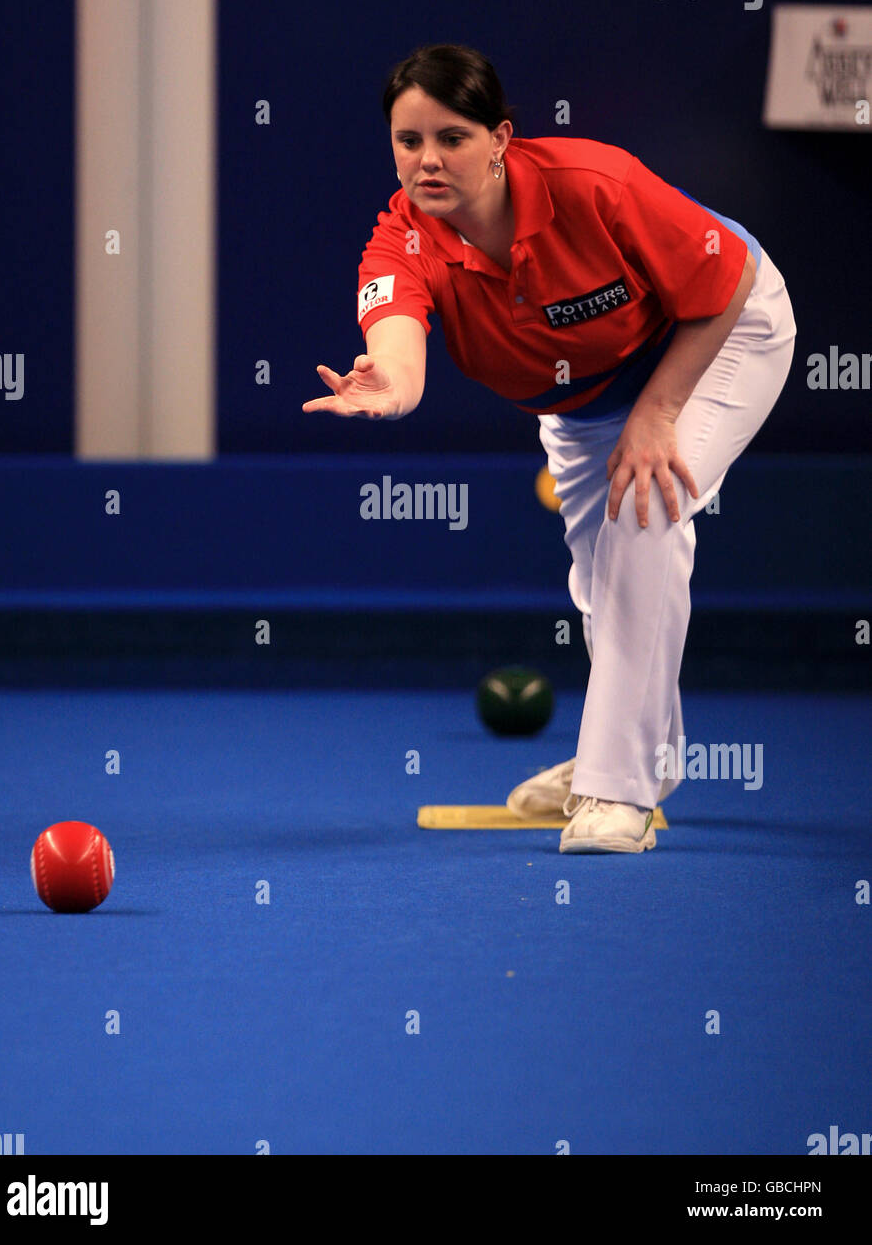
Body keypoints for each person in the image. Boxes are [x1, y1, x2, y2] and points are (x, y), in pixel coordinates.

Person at [302, 44, 796, 854]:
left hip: (718, 334)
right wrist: (388, 385)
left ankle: (616, 789)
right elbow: (398, 344)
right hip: (580, 404)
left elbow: (728, 278)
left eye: (451, 138)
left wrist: (659, 412)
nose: (426, 161)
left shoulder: (591, 183)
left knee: (646, 514)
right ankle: (639, 748)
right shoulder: (399, 241)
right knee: (602, 580)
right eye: (407, 141)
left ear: (499, 138)